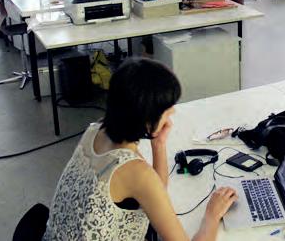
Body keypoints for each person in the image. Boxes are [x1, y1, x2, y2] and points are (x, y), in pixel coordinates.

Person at [43, 58, 237, 241]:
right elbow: (149, 186)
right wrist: (211, 216)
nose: (173, 111)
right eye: (166, 110)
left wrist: (158, 144)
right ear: (146, 119)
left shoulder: (95, 131)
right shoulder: (135, 171)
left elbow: (154, 193)